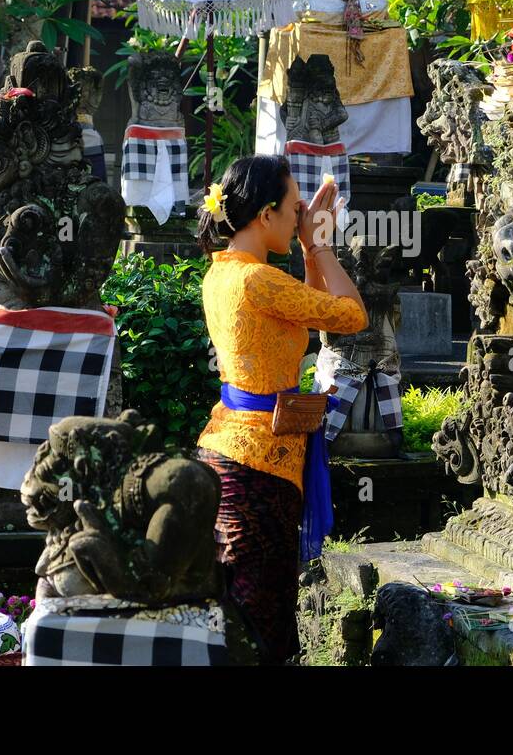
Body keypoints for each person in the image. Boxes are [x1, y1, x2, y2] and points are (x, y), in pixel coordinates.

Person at [195, 154, 367, 665]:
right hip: (258, 462)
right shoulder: (258, 281)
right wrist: (320, 246)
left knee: (241, 601)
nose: (299, 219)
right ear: (265, 215)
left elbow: (310, 308)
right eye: (293, 210)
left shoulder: (226, 271)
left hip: (233, 449)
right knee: (258, 608)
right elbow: (350, 315)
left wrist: (310, 251)